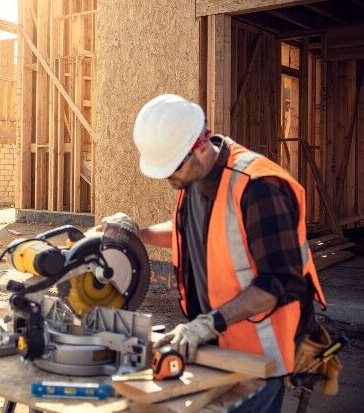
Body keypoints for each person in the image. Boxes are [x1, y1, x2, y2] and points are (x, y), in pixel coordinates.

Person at [132, 94, 328, 412]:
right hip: (215, 348)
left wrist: (207, 324)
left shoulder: (259, 187)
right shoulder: (193, 179)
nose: (170, 179)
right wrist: (139, 233)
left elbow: (279, 282)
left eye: (172, 168)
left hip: (258, 359)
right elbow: (189, 234)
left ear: (199, 144)